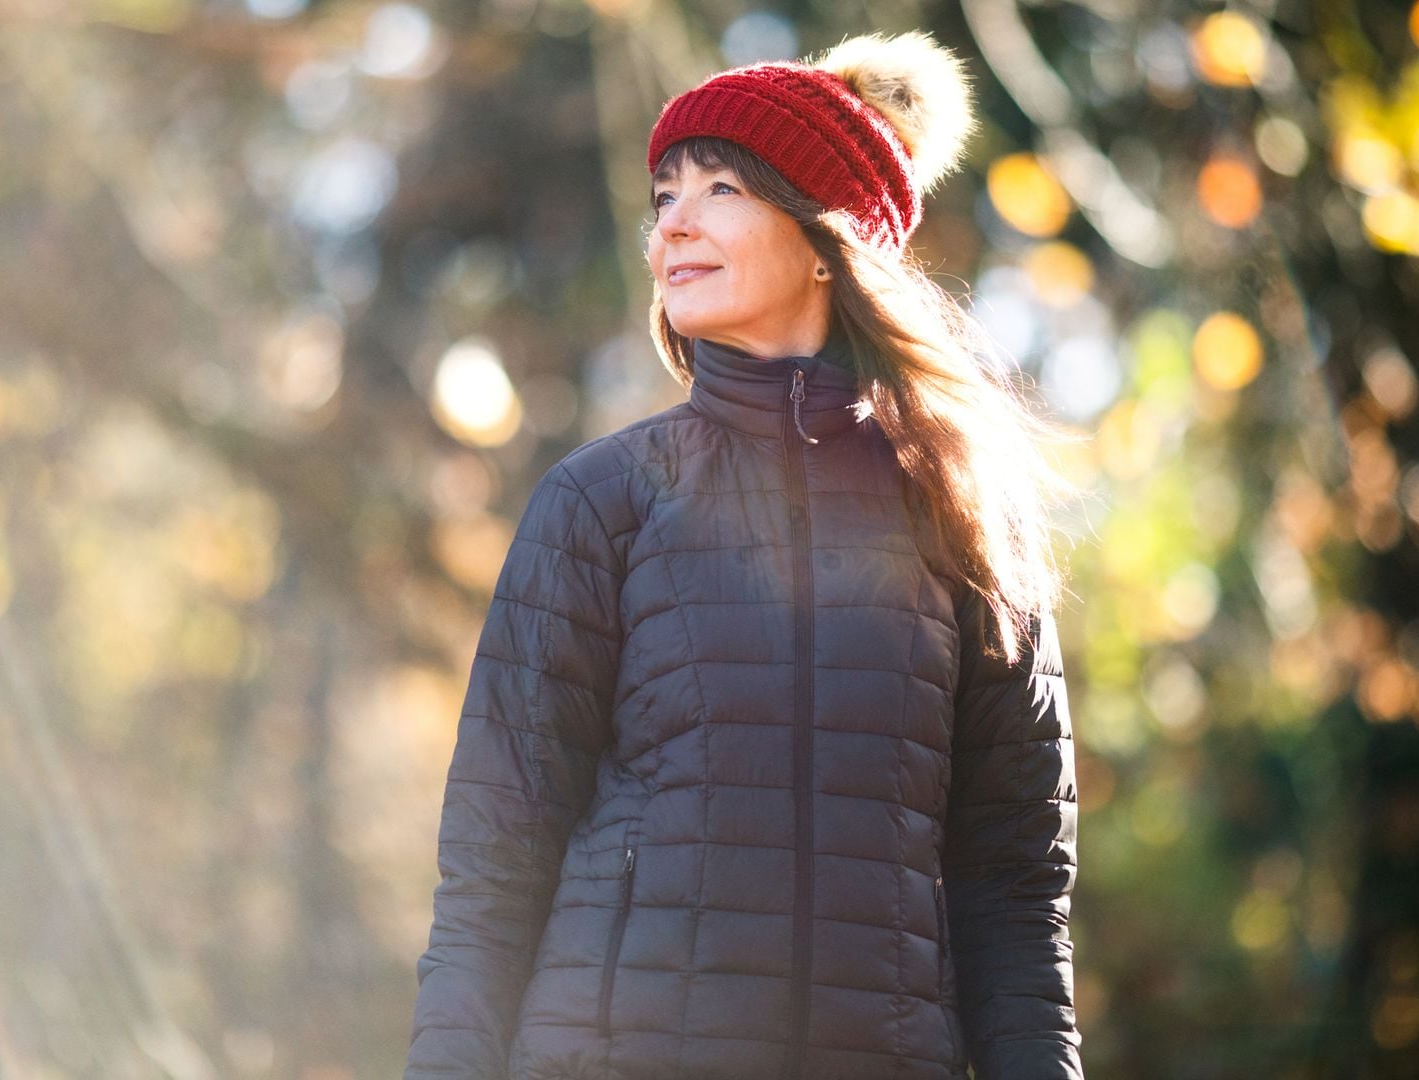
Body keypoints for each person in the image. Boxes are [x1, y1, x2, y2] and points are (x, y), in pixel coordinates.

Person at [405, 29, 1084, 1080]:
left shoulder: (966, 519)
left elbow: (1014, 888)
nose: (674, 221)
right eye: (664, 195)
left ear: (828, 236)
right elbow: (495, 860)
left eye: (721, 189)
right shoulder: (602, 501)